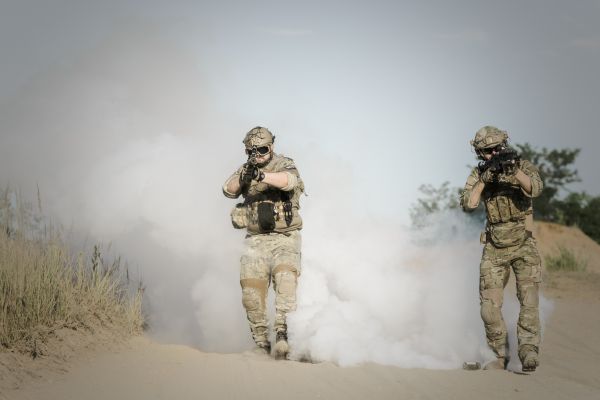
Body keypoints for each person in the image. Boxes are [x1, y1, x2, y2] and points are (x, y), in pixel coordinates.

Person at [460, 126, 544, 372]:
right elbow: (469, 204)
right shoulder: (479, 173)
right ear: (479, 153)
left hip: (523, 244)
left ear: (505, 145)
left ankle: (528, 352)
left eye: (497, 149)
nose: (494, 154)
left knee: (528, 302)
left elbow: (535, 188)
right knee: (489, 307)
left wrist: (514, 171)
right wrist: (484, 181)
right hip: (494, 246)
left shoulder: (521, 165)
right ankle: (498, 355)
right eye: (487, 151)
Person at [222, 126, 304, 359]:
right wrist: (244, 175)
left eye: (262, 149)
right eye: (252, 151)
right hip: (255, 240)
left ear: (271, 147)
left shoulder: (283, 164)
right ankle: (260, 343)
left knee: (285, 281)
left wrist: (261, 176)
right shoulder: (247, 168)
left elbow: (289, 181)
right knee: (250, 293)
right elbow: (228, 190)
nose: (257, 154)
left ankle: (283, 335)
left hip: (285, 238)